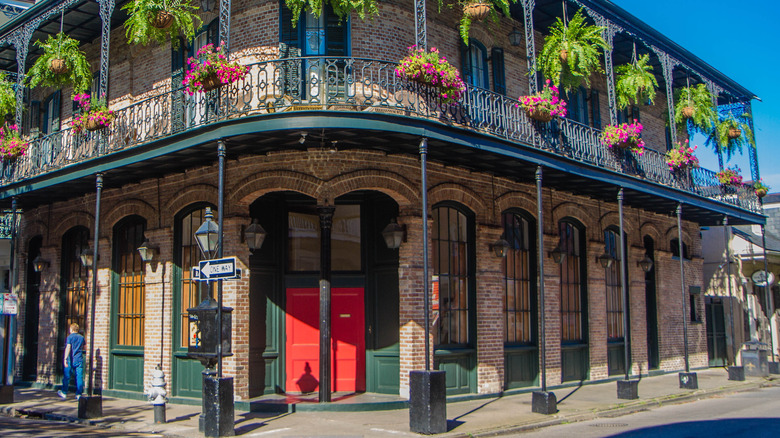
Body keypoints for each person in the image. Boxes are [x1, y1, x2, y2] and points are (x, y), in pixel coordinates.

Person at [58, 323, 85, 400]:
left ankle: (64, 392)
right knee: (79, 376)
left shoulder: (69, 337)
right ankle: (79, 394)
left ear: (72, 329)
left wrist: (65, 358)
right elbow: (83, 346)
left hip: (71, 359)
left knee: (67, 376)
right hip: (79, 359)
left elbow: (68, 347)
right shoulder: (82, 338)